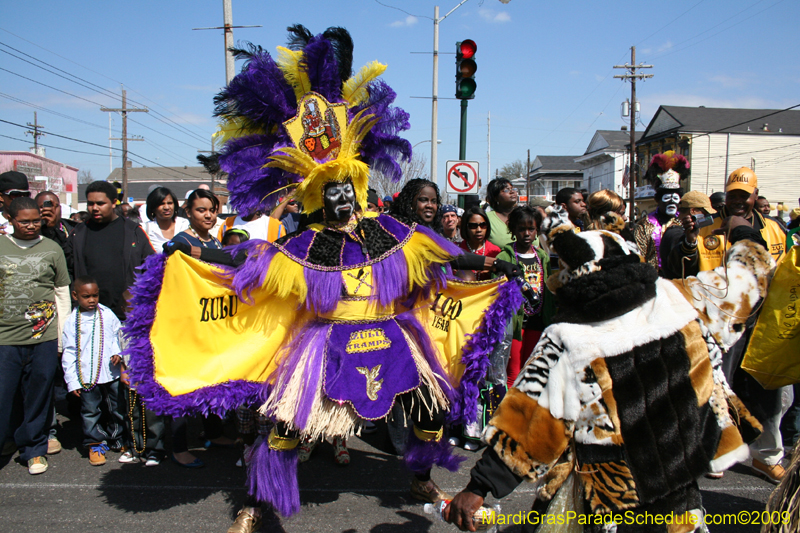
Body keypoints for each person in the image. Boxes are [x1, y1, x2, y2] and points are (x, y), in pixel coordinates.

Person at [126, 26, 522, 533]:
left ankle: (421, 477)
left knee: (432, 408)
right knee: (285, 429)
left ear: (358, 188)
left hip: (394, 338)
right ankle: (256, 503)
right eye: (328, 192)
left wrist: (489, 265)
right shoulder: (301, 247)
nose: (340, 198)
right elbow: (245, 262)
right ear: (315, 199)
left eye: (345, 189)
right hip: (324, 346)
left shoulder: (393, 232)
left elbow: (442, 257)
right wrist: (198, 249)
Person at [444, 205, 770, 532]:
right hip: (679, 484)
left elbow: (532, 421)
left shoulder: (569, 338)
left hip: (611, 499)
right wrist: (742, 231)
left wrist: (478, 488)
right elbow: (747, 280)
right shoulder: (682, 298)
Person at [664, 167, 787, 483]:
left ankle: (766, 457)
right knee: (715, 389)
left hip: (763, 325)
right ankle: (716, 450)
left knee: (771, 394)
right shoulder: (707, 227)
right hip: (719, 327)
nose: (738, 201)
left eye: (744, 196)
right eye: (732, 195)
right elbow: (682, 265)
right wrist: (690, 241)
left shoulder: (775, 230)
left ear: (755, 196)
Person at [0, 197, 71, 475]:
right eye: (24, 221)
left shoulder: (52, 249)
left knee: (38, 395)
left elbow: (61, 293)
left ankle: (34, 449)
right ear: (10, 220)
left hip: (43, 338)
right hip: (5, 338)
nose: (31, 226)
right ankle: (7, 440)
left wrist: (61, 337)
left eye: (36, 221)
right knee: (5, 395)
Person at [64, 181, 155, 320]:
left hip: (126, 315)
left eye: (100, 203)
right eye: (90, 203)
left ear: (113, 203)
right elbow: (68, 271)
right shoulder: (78, 234)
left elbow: (152, 268)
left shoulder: (133, 232)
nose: (94, 208)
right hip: (89, 315)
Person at [61, 276, 125, 466]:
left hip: (110, 371)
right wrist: (72, 380)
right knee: (90, 411)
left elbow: (117, 334)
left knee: (117, 407)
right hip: (86, 375)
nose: (91, 300)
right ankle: (95, 443)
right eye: (86, 296)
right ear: (75, 296)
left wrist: (117, 353)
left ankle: (118, 437)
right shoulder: (72, 321)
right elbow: (69, 352)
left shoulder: (106, 313)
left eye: (95, 295)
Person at [495, 206, 552, 388]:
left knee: (531, 368)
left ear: (537, 231)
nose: (526, 233)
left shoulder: (542, 256)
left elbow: (549, 288)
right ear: (513, 230)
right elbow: (495, 289)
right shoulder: (504, 256)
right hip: (514, 323)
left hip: (537, 321)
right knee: (513, 371)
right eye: (521, 229)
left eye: (531, 229)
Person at [633, 151, 687, 271]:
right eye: (667, 199)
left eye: (675, 198)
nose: (671, 203)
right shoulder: (645, 224)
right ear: (658, 200)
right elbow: (640, 255)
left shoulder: (684, 222)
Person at [458, 207, 501, 280]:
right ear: (465, 227)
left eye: (483, 225)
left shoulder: (495, 251)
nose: (479, 230)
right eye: (473, 226)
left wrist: (492, 272)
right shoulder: (457, 250)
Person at [484, 179, 518, 248]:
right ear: (495, 197)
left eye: (513, 189)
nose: (512, 192)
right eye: (506, 190)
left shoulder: (524, 215)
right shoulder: (486, 219)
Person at [0, 170, 31, 235]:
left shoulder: (37, 224)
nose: (21, 199)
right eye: (16, 194)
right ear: (1, 197)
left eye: (25, 195)